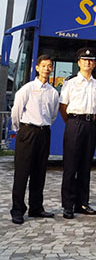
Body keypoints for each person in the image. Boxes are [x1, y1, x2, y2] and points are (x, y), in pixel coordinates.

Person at [10, 54, 59, 225]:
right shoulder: (27, 88)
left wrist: (43, 127)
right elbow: (16, 111)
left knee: (40, 172)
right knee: (22, 172)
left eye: (49, 66)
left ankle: (36, 207)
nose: (47, 68)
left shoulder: (53, 92)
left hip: (44, 132)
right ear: (37, 68)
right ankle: (17, 210)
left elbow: (53, 115)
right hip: (27, 131)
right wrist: (20, 129)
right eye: (44, 65)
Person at [59, 47, 96, 219]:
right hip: (74, 123)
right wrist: (72, 123)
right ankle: (68, 205)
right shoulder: (70, 83)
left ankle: (82, 203)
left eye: (91, 60)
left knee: (86, 165)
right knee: (71, 166)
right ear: (79, 62)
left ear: (94, 64)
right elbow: (63, 106)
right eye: (84, 60)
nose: (88, 62)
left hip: (90, 125)